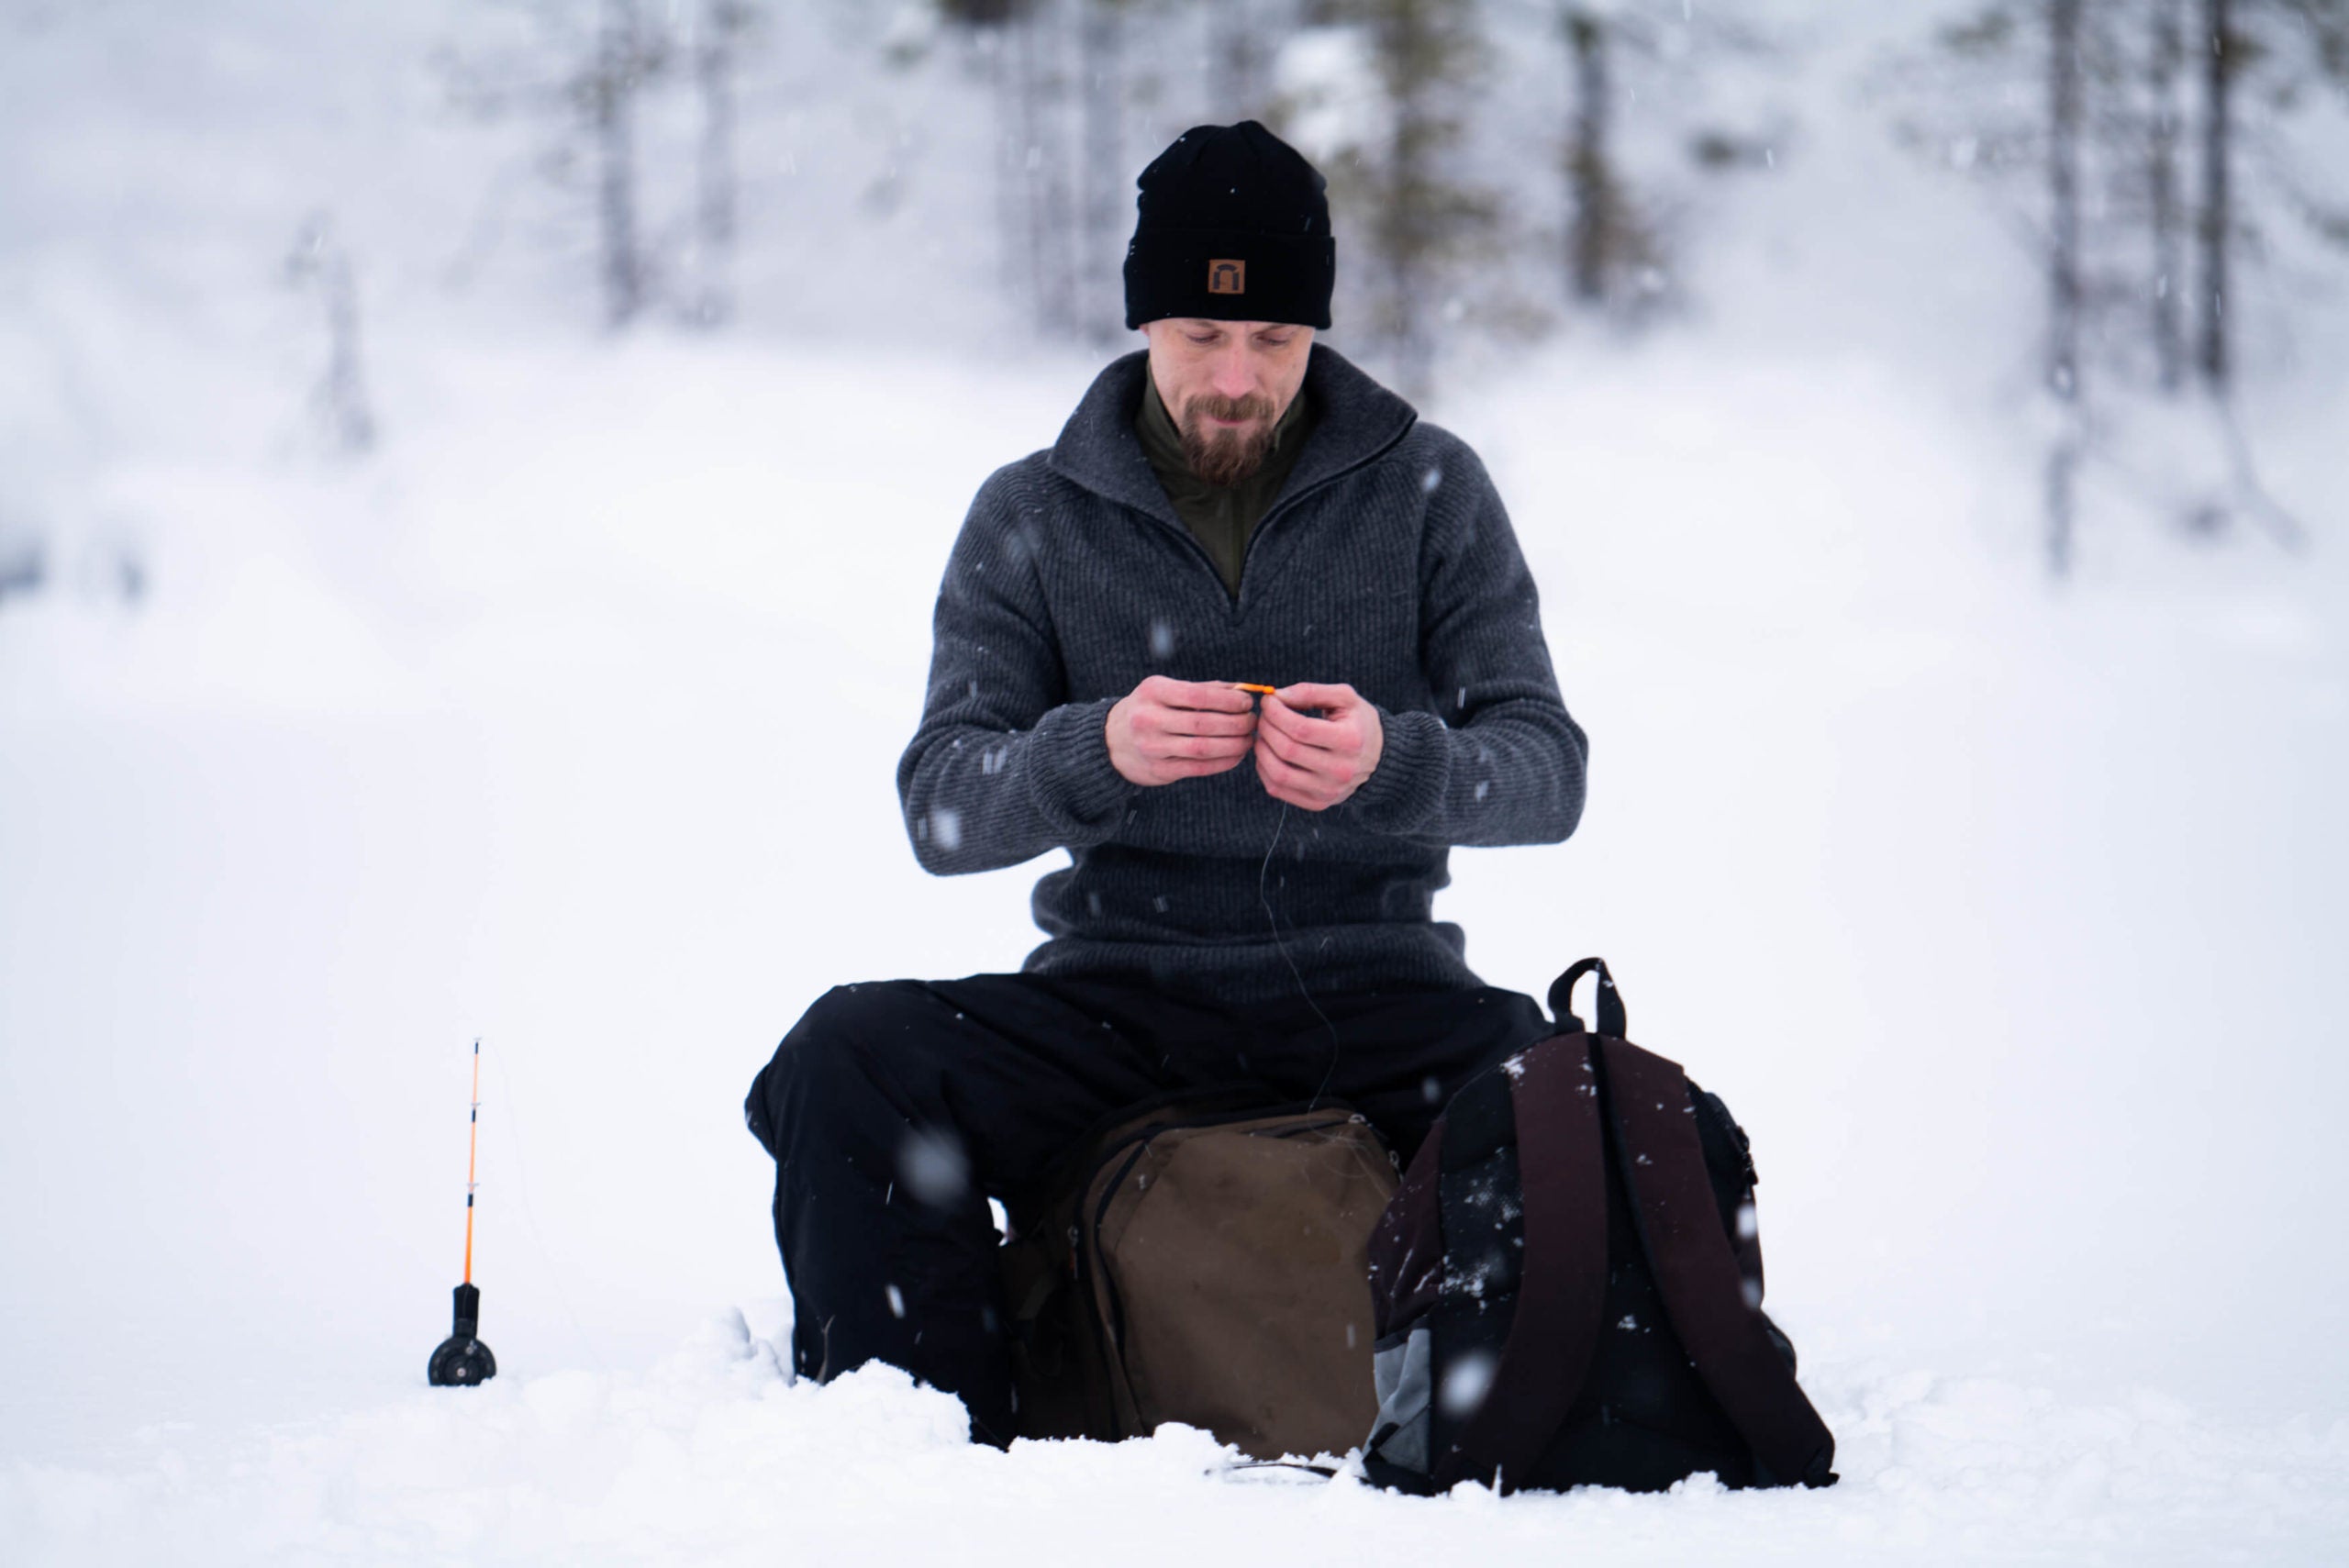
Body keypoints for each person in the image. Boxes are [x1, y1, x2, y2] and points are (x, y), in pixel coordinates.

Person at [744, 121, 1587, 1445]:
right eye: (1202, 334)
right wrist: (1096, 756)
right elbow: (942, 808)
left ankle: (1506, 1428)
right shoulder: (1029, 514)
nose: (1238, 377)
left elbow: (1547, 771)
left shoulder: (1432, 490)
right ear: (1143, 320)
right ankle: (917, 1448)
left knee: (1590, 1112)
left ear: (1319, 331)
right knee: (849, 1055)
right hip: (1115, 1013)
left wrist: (1397, 763)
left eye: (1275, 341)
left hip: (1378, 1005)